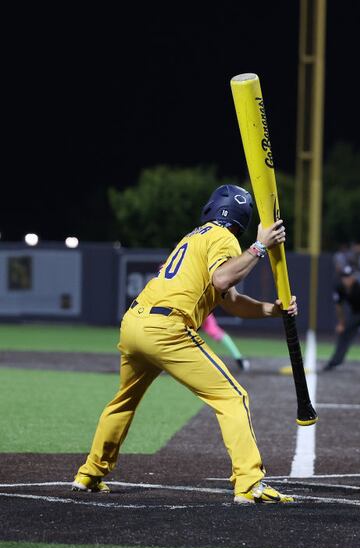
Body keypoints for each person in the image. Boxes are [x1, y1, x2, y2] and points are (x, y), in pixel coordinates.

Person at [71, 185, 297, 505]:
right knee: (232, 397)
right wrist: (260, 246)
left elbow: (230, 301)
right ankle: (249, 483)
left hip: (134, 324)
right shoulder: (223, 237)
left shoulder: (194, 237)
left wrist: (271, 310)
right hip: (167, 329)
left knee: (123, 401)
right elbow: (222, 280)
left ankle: (89, 474)